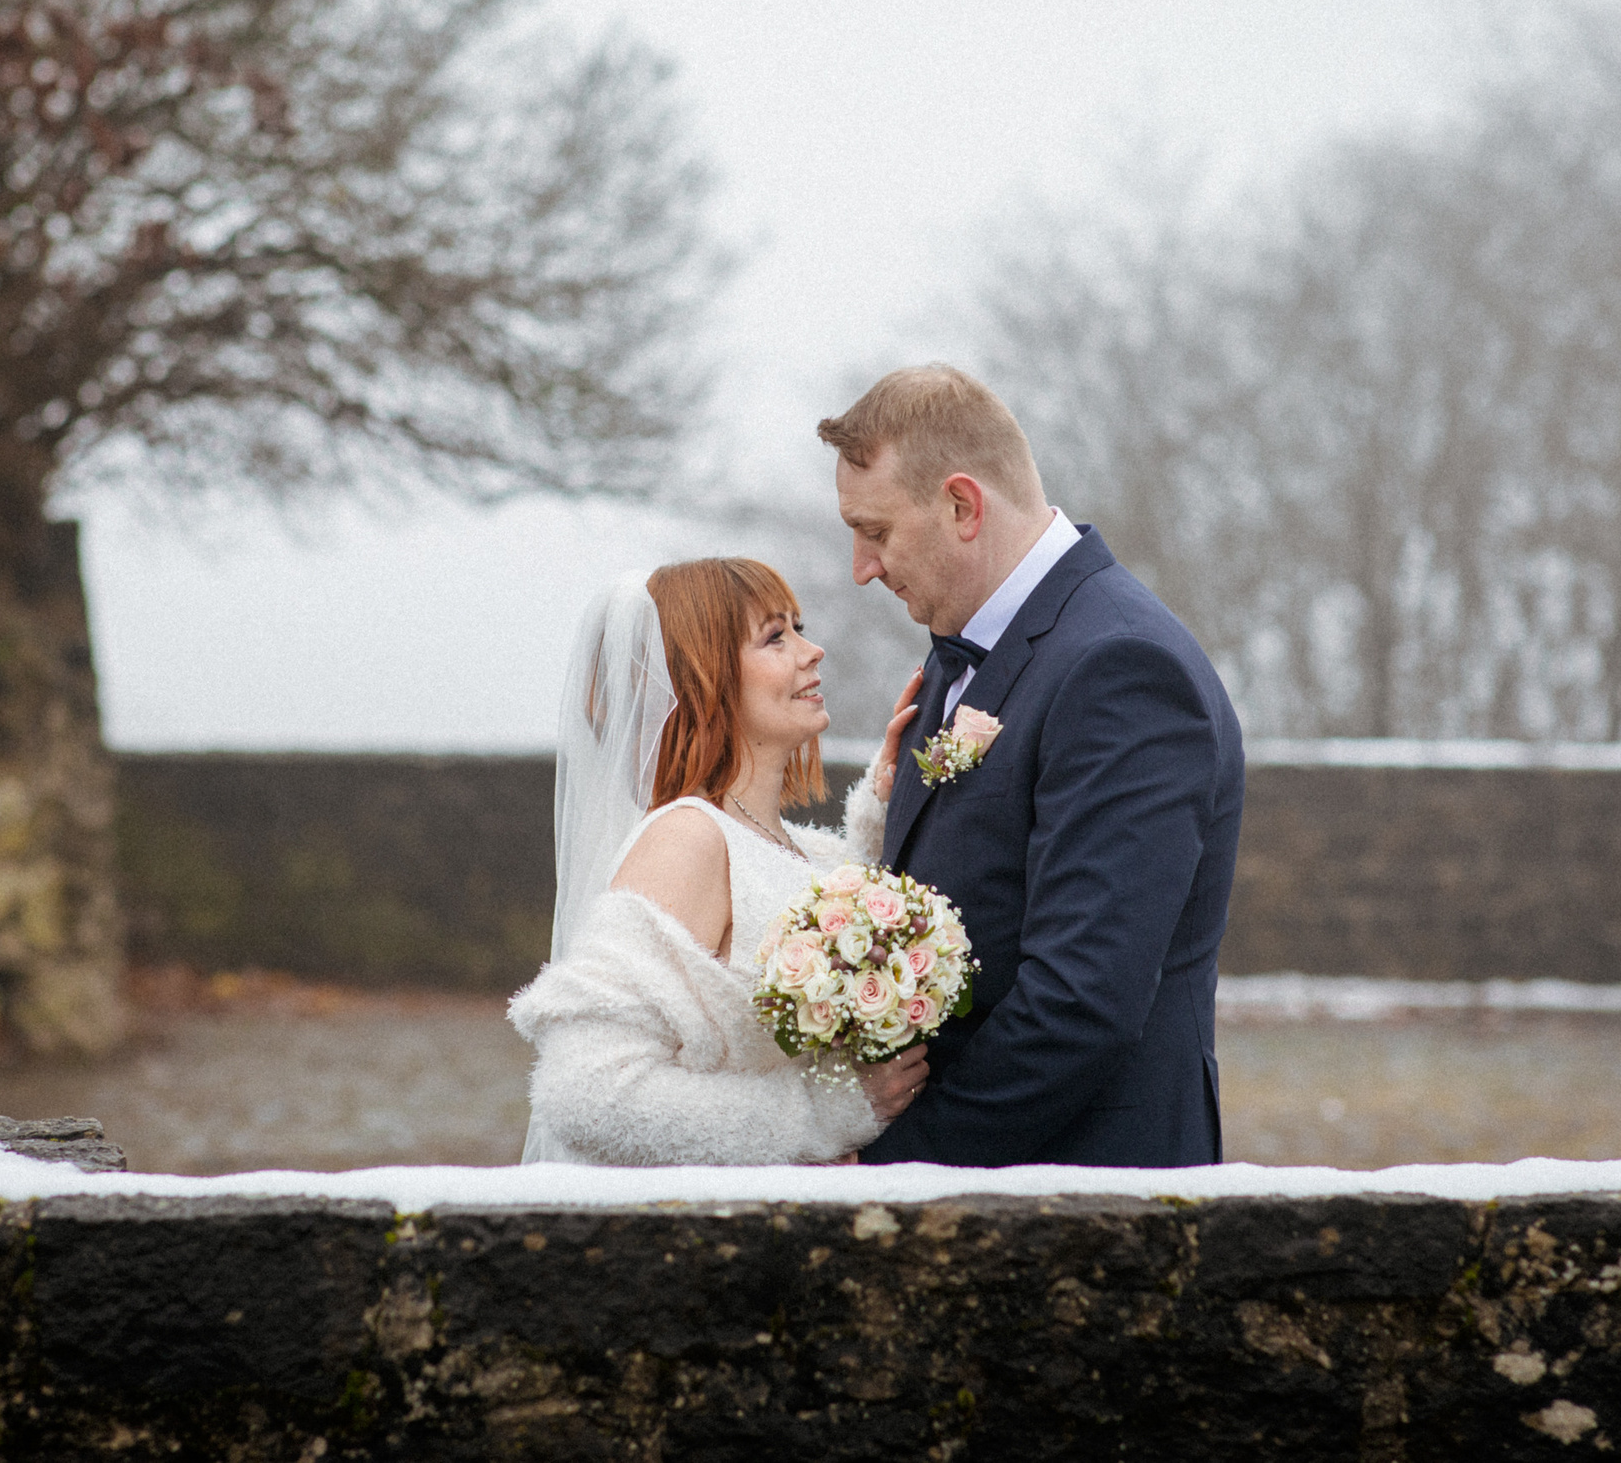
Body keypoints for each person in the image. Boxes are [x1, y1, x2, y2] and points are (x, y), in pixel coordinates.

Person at [822, 363, 1244, 1167]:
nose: (862, 567)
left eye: (874, 531)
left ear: (962, 505)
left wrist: (892, 1168)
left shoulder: (1121, 667)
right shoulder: (958, 653)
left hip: (1091, 1194)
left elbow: (1079, 1005)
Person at [509, 558, 929, 1165]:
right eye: (774, 637)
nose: (813, 652)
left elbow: (807, 899)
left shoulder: (799, 847)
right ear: (705, 679)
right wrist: (823, 1114)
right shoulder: (688, 838)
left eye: (799, 628)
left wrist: (890, 800)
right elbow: (585, 1091)